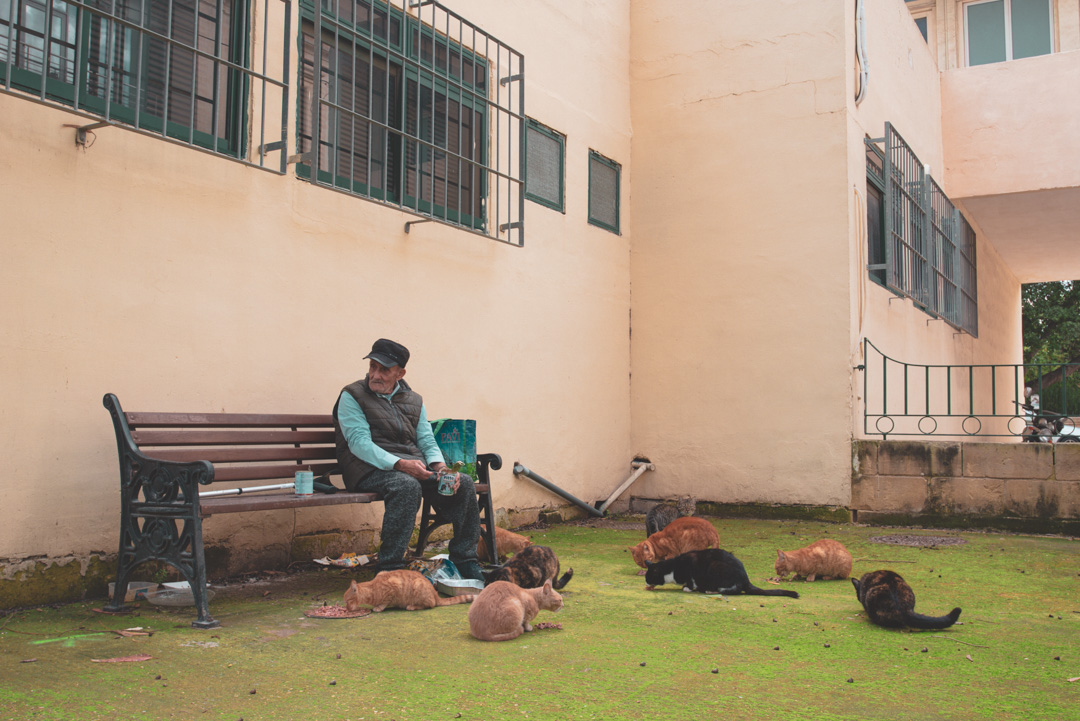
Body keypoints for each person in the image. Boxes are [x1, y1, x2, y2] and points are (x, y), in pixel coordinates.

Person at [332, 338, 485, 582]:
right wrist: (400, 464)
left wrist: (442, 468)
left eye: (384, 369)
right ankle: (389, 567)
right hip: (367, 468)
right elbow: (358, 443)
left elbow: (425, 439)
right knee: (405, 486)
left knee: (463, 483)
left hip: (412, 467)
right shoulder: (352, 395)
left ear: (400, 373)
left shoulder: (414, 399)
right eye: (373, 367)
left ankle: (465, 560)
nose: (375, 375)